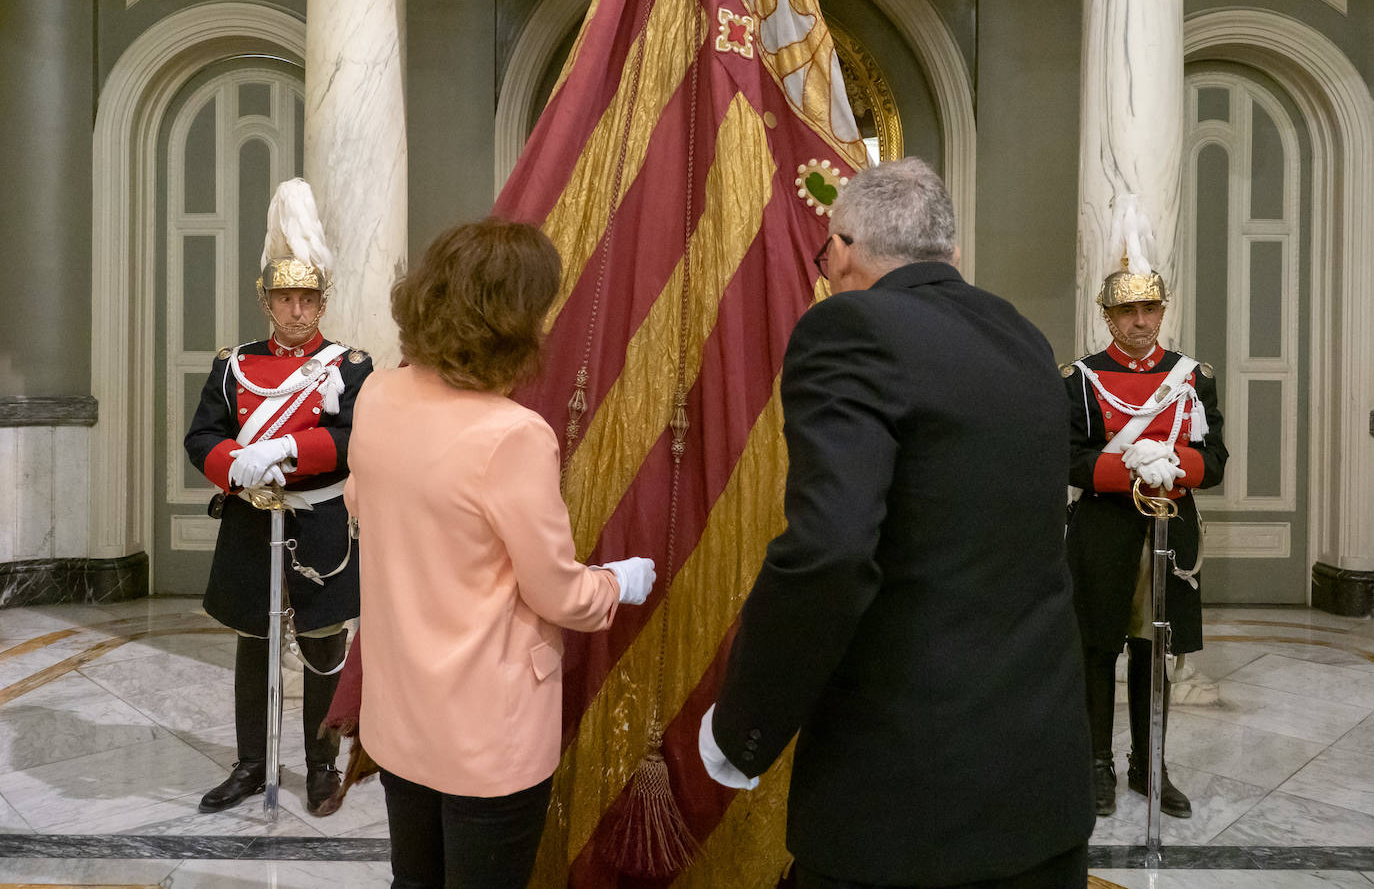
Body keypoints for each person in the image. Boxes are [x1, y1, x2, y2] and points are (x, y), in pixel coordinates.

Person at [699, 157, 1095, 889]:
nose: (824, 272)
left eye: (825, 256)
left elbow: (830, 550)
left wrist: (743, 728)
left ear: (844, 248)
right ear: (949, 253)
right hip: (1041, 777)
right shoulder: (1023, 337)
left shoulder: (848, 326)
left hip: (904, 798)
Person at [344, 219, 656, 889]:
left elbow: (360, 505)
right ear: (512, 322)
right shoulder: (511, 436)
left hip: (399, 715)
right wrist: (617, 582)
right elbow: (558, 594)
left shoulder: (378, 394)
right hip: (488, 733)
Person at [185, 178, 372, 816]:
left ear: (322, 303)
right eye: (286, 299)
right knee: (252, 643)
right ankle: (250, 764)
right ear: (267, 301)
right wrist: (235, 466)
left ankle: (321, 767)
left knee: (323, 647)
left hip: (318, 522)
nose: (297, 311)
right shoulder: (233, 364)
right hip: (249, 521)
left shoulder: (350, 367)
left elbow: (353, 439)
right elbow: (202, 435)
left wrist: (290, 451)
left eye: (308, 299)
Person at [1063, 259, 1227, 820]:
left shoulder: (1192, 376)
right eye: (1127, 310)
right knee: (1097, 645)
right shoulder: (1079, 378)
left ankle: (1148, 764)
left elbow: (1215, 460)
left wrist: (1170, 463)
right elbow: (1070, 458)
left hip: (1169, 527)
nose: (1140, 321)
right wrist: (1131, 467)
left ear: (1162, 310)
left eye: (1150, 308)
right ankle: (1094, 764)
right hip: (1105, 527)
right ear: (1108, 317)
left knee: (1154, 648)